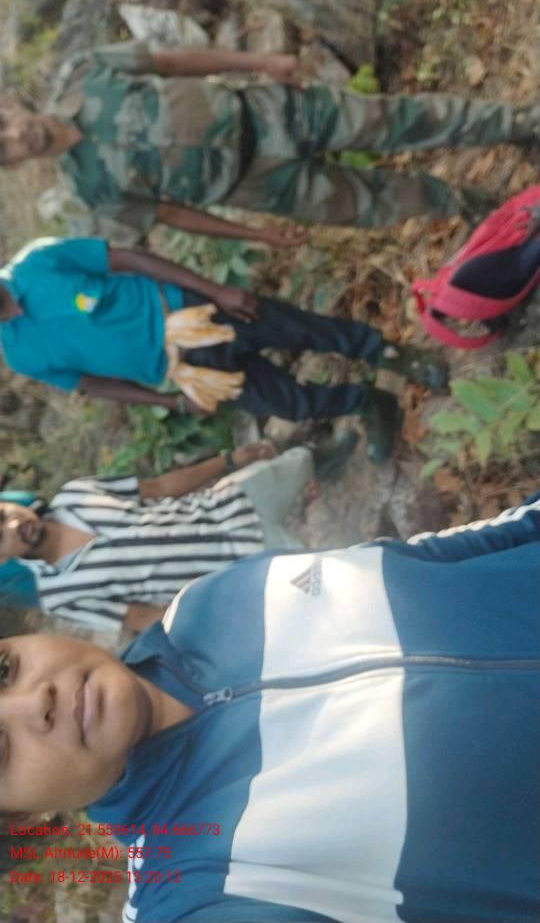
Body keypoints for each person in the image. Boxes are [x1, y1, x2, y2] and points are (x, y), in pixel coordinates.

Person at [0, 494, 538, 922]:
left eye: (4, 670)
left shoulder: (205, 602)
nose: (34, 701)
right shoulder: (198, 891)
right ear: (22, 818)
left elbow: (449, 552)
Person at [0, 42, 539, 235]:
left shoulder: (87, 71)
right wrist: (257, 237)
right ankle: (473, 204)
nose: (17, 134)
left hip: (268, 112)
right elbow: (171, 215)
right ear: (14, 165)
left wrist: (261, 60)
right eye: (6, 147)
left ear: (7, 106)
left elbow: (172, 61)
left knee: (396, 120)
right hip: (257, 186)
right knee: (373, 202)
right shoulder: (90, 191)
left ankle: (518, 125)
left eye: (3, 124)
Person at [0, 236, 447, 462]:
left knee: (298, 330)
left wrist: (216, 290)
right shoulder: (18, 354)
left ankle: (394, 356)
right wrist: (172, 402)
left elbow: (130, 258)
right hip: (184, 369)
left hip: (192, 310)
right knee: (286, 403)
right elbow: (93, 384)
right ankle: (369, 403)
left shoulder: (38, 262)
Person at [0, 436, 357, 633]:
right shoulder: (58, 594)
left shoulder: (74, 494)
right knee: (339, 577)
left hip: (230, 503)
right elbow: (139, 617)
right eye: (1, 537)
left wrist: (229, 460)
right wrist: (228, 620)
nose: (14, 525)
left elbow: (159, 487)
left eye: (3, 515)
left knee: (299, 461)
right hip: (241, 568)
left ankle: (324, 463)